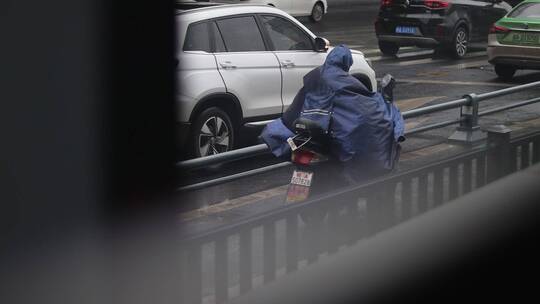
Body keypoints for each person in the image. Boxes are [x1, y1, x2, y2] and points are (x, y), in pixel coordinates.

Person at [261, 45, 404, 177]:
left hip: (311, 135)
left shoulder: (314, 77)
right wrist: (382, 106)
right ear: (346, 63)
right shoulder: (347, 81)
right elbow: (362, 104)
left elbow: (295, 108)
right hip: (325, 139)